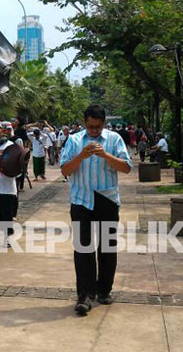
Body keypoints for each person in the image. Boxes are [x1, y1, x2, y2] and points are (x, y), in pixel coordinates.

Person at [60, 105, 132, 317]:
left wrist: (106, 156)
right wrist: (81, 156)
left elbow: (126, 168)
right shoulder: (73, 141)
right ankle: (84, 295)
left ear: (104, 124)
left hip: (106, 199)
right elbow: (65, 170)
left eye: (97, 127)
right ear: (84, 123)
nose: (93, 131)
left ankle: (104, 290)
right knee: (83, 249)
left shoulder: (114, 139)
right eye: (90, 127)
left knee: (107, 248)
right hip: (81, 200)